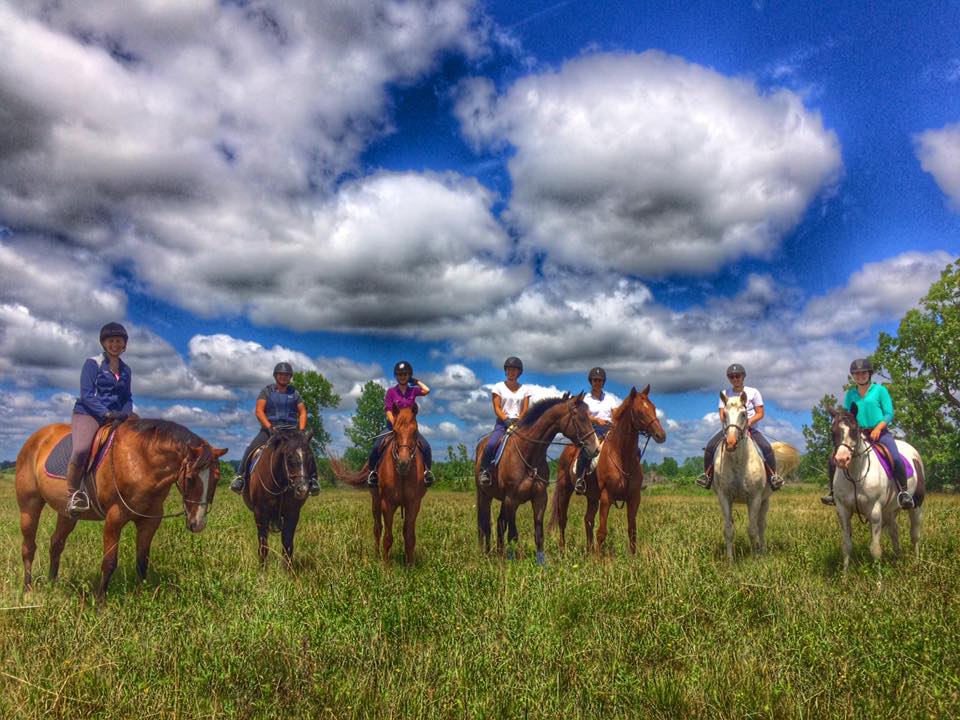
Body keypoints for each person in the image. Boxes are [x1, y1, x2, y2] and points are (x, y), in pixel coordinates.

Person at [821, 358, 913, 509]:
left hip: (880, 433)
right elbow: (848, 416)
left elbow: (889, 413)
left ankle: (903, 493)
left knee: (895, 458)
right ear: (853, 376)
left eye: (863, 373)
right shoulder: (850, 393)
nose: (860, 376)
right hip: (858, 433)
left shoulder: (880, 391)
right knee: (833, 458)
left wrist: (878, 428)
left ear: (869, 374)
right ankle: (832, 492)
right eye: (856, 374)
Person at [65, 322, 135, 516]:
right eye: (110, 341)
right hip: (89, 413)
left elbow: (127, 397)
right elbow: (87, 395)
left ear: (124, 345)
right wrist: (105, 413)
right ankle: (73, 495)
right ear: (104, 344)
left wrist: (127, 413)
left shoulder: (126, 370)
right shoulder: (92, 363)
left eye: (119, 341)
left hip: (116, 415)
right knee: (81, 449)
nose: (115, 344)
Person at [231, 362, 319, 496]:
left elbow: (303, 412)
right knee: (251, 447)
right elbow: (259, 411)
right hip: (271, 430)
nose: (284, 377)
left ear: (290, 377)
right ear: (275, 376)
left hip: (291, 431)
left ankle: (313, 480)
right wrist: (270, 428)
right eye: (281, 374)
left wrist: (301, 431)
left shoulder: (295, 393)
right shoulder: (266, 391)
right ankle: (240, 477)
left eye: (286, 375)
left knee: (306, 450)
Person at [696, 363, 783, 490]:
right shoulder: (725, 394)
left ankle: (773, 478)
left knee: (767, 448)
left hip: (750, 428)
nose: (735, 379)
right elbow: (722, 415)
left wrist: (748, 422)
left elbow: (760, 413)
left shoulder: (753, 392)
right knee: (710, 447)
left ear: (743, 376)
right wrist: (732, 425)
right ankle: (707, 477)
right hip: (730, 428)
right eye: (731, 376)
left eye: (738, 376)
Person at [366, 361, 434, 488]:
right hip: (393, 426)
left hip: (410, 429)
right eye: (399, 374)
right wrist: (395, 424)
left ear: (409, 375)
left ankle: (426, 473)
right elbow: (388, 410)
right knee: (376, 446)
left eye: (405, 374)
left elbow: (427, 390)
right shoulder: (391, 392)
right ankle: (373, 473)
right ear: (396, 376)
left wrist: (416, 381)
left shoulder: (413, 391)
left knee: (426, 447)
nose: (402, 377)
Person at [478, 357, 530, 486]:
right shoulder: (498, 387)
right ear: (505, 371)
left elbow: (525, 409)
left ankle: (536, 472)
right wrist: (506, 420)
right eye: (509, 369)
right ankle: (485, 471)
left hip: (520, 423)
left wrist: (518, 422)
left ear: (519, 372)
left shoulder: (525, 389)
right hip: (502, 422)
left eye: (514, 370)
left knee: (534, 443)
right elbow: (497, 408)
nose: (511, 372)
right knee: (491, 444)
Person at [573, 367, 619, 493]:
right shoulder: (585, 398)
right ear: (591, 382)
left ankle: (631, 478)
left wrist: (614, 423)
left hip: (610, 428)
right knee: (588, 449)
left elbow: (615, 414)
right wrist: (596, 420)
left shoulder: (610, 398)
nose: (597, 383)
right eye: (595, 380)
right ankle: (580, 479)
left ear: (603, 382)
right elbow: (582, 415)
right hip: (592, 429)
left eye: (600, 380)